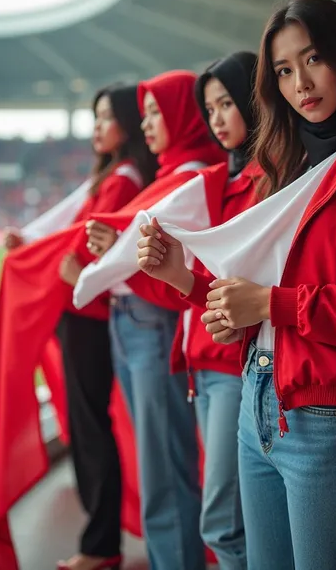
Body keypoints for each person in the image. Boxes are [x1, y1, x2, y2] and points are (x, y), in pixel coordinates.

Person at [135, 0, 336, 570]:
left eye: (313, 60)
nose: (301, 82)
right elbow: (252, 299)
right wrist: (179, 276)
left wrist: (271, 303)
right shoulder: (288, 163)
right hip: (258, 403)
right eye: (284, 70)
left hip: (329, 419)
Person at [69, 71, 225, 570]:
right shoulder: (169, 175)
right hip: (135, 320)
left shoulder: (193, 175)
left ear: (182, 114)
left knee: (164, 465)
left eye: (157, 111)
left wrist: (104, 259)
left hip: (152, 322)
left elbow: (171, 269)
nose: (147, 122)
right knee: (159, 460)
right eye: (145, 113)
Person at [4, 84, 157, 570]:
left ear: (127, 126)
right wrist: (32, 242)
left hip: (89, 317)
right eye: (94, 118)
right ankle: (100, 541)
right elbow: (71, 229)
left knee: (93, 428)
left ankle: (100, 545)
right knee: (93, 426)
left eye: (106, 118)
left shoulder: (122, 179)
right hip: (89, 316)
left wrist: (34, 253)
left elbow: (83, 250)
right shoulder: (111, 175)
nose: (97, 128)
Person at [137, 52, 259, 569]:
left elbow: (245, 284)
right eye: (210, 109)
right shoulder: (219, 180)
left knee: (226, 523)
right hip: (202, 364)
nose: (217, 119)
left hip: (236, 365)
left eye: (227, 103)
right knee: (235, 519)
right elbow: (205, 284)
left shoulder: (263, 182)